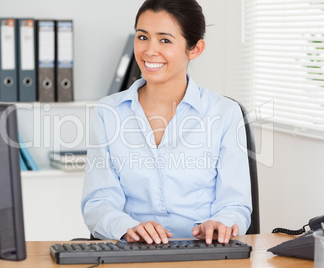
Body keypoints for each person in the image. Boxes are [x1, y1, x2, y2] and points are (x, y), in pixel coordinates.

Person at [81, 0, 252, 245]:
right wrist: (128, 227)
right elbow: (98, 202)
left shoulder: (224, 113)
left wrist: (221, 224)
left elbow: (235, 204)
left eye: (165, 40)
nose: (149, 51)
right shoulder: (109, 112)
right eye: (142, 37)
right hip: (134, 253)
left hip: (205, 254)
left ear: (195, 49)